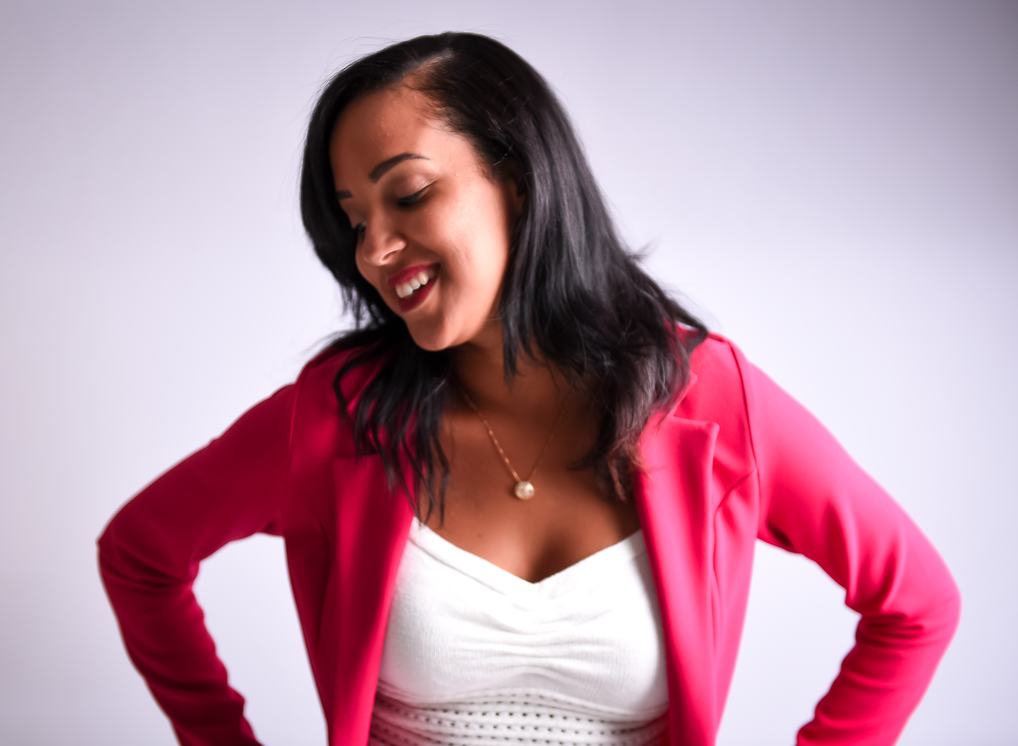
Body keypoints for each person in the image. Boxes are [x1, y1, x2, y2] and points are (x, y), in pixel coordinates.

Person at [97, 32, 959, 746]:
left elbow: (916, 606)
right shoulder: (338, 414)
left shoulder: (709, 401)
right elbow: (141, 552)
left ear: (518, 180)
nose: (374, 250)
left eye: (409, 194)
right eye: (356, 219)